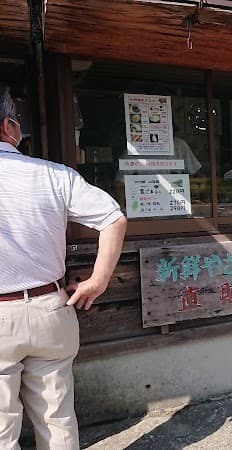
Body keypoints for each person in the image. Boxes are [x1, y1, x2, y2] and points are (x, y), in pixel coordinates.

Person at [0, 85, 127, 449]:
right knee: (57, 419)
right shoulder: (53, 174)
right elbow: (113, 218)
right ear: (8, 126)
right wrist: (98, 280)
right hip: (49, 308)